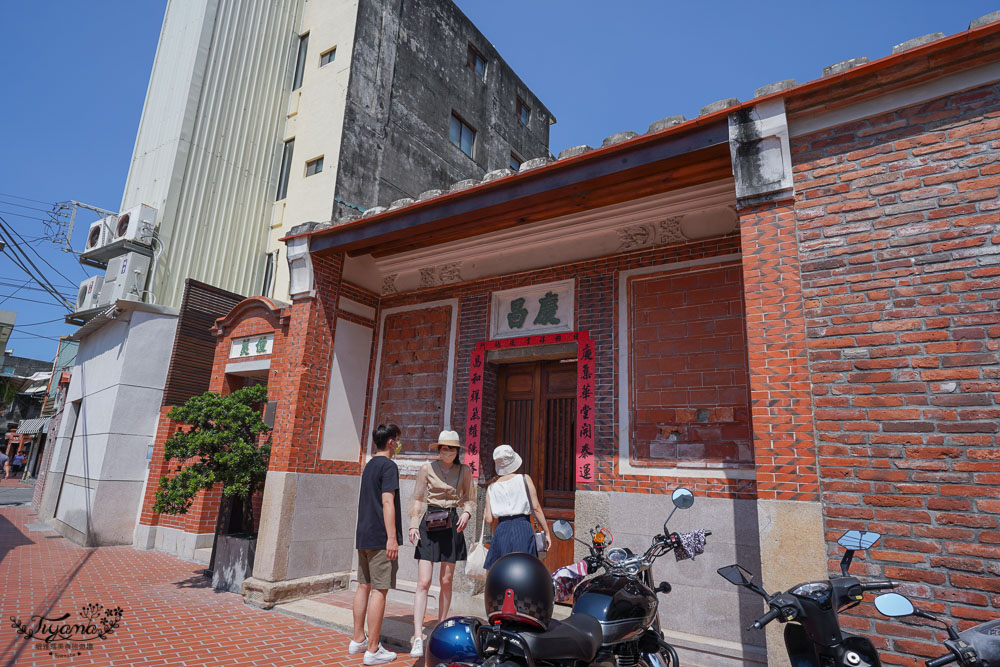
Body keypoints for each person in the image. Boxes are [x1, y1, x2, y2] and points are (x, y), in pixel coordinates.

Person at [407, 430, 475, 657]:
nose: (447, 452)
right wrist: (413, 524)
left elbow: (470, 498)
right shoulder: (426, 468)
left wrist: (466, 513)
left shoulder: (464, 470)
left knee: (446, 580)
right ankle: (418, 636)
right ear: (438, 450)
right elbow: (417, 497)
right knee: (423, 581)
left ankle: (441, 627)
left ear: (457, 451)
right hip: (430, 521)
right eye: (443, 448)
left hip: (453, 522)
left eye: (452, 448)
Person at [350, 423, 402, 665]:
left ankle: (358, 639)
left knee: (363, 586)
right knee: (379, 590)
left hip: (364, 534)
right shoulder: (389, 466)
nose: (399, 444)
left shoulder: (369, 465)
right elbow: (387, 502)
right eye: (398, 440)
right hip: (381, 537)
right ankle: (372, 649)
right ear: (391, 441)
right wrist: (391, 537)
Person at [483, 444, 552, 569]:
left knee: (501, 569)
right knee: (525, 568)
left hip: (502, 529)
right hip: (523, 527)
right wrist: (547, 532)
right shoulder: (524, 479)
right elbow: (536, 508)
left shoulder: (491, 487)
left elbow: (488, 519)